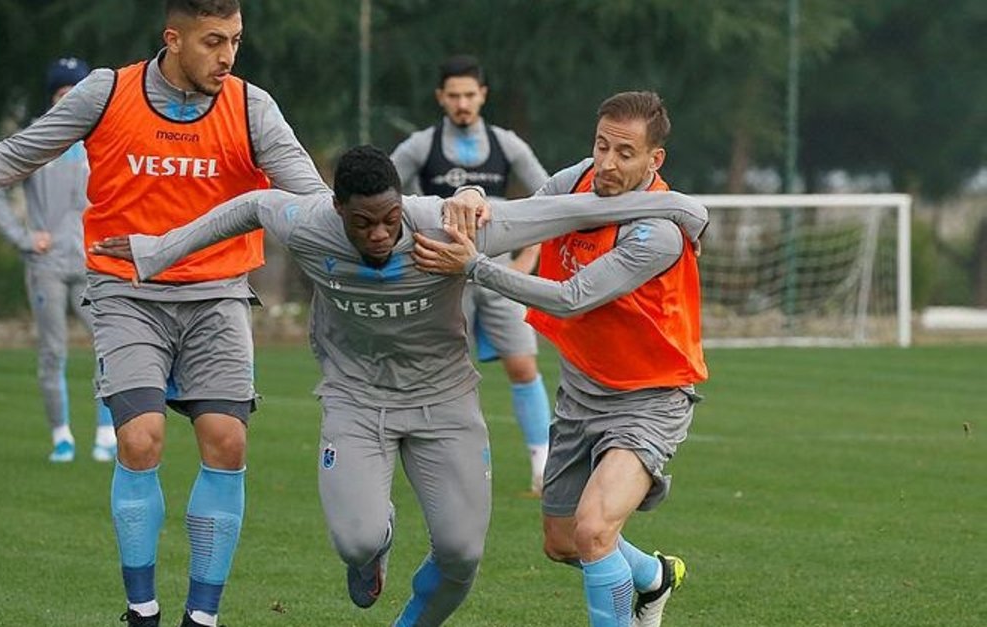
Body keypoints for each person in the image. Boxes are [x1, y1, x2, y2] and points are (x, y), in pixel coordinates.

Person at [90, 145, 708, 626]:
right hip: (355, 400)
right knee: (356, 540)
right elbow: (250, 205)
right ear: (338, 212)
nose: (381, 234)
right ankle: (372, 553)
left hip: (445, 402)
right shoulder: (308, 223)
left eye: (390, 220)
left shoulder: (447, 226)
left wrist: (680, 207)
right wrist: (158, 250)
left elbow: (566, 210)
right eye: (364, 224)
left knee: (462, 555)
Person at [0, 2, 335, 625]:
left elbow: (313, 198)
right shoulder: (107, 92)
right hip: (125, 291)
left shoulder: (253, 107)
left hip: (218, 292)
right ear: (174, 39)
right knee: (139, 438)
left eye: (236, 41)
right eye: (213, 41)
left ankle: (202, 617)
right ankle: (142, 612)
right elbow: (19, 153)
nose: (227, 56)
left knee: (227, 441)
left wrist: (382, 228)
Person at [412, 91, 707, 627]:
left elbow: (572, 297)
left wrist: (474, 267)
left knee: (594, 531)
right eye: (602, 146)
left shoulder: (658, 234)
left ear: (654, 159)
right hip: (581, 388)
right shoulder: (576, 181)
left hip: (649, 397)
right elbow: (521, 216)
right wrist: (472, 195)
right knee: (563, 541)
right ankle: (653, 577)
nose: (607, 163)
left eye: (625, 152)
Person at [391, 54, 552, 494]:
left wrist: (527, 260)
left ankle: (544, 465)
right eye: (454, 95)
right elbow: (382, 195)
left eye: (469, 95)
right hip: (441, 277)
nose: (462, 103)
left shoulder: (507, 144)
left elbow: (549, 199)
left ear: (483, 95)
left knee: (523, 365)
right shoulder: (419, 147)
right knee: (441, 370)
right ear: (440, 98)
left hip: (498, 275)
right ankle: (439, 463)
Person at [0, 57, 116, 464]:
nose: (70, 99)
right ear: (53, 98)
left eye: (77, 92)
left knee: (111, 345)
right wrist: (23, 237)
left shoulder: (103, 139)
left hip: (93, 263)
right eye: (62, 93)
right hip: (47, 266)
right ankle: (61, 437)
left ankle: (107, 433)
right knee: (53, 351)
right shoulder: (37, 139)